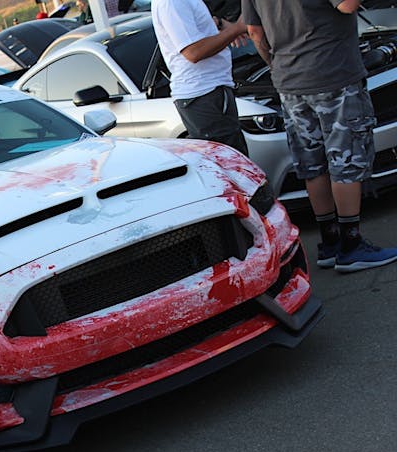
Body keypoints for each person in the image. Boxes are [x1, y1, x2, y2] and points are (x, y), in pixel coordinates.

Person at [243, 0, 397, 272]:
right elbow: (347, 5)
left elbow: (254, 31)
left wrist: (278, 65)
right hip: (333, 74)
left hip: (289, 82)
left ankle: (330, 242)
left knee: (312, 163)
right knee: (345, 159)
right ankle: (351, 246)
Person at [151, 0, 249, 155]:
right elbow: (193, 52)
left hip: (208, 90)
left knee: (233, 159)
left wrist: (219, 24)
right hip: (203, 93)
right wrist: (236, 29)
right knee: (230, 162)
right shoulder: (172, 3)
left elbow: (193, 33)